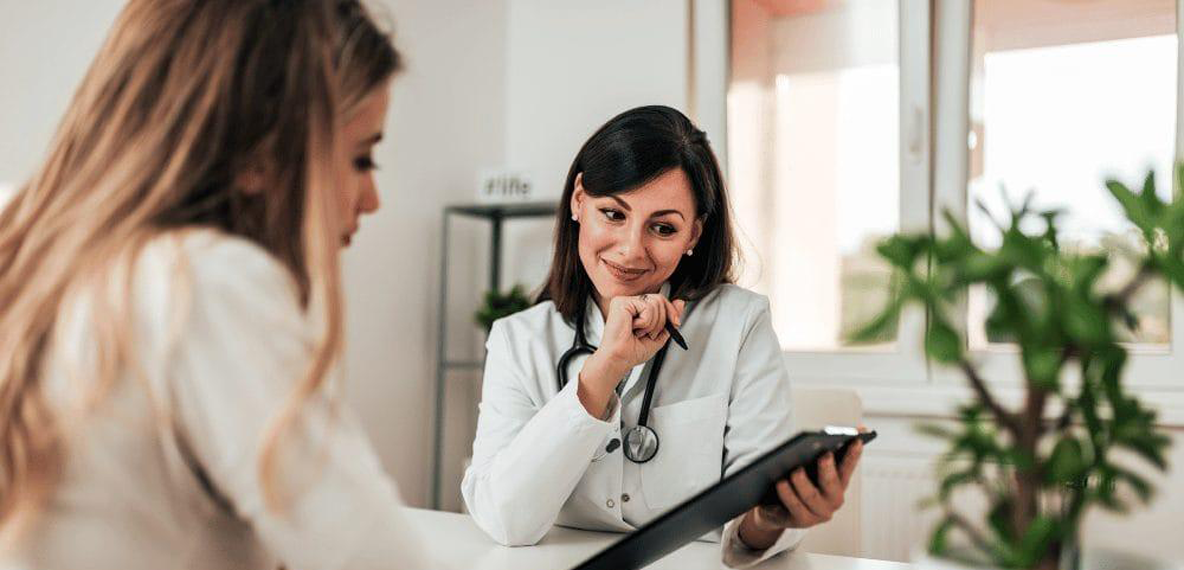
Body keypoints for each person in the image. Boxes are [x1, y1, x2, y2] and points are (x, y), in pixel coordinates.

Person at [0, 1, 432, 568]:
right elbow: (377, 559)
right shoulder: (201, 283)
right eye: (360, 158)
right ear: (257, 155)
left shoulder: (28, 248)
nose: (372, 199)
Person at [461, 105, 864, 567]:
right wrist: (602, 370)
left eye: (663, 227)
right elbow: (506, 521)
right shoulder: (518, 340)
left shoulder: (740, 324)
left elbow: (748, 520)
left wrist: (770, 518)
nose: (631, 250)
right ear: (578, 201)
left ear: (694, 232)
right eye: (612, 214)